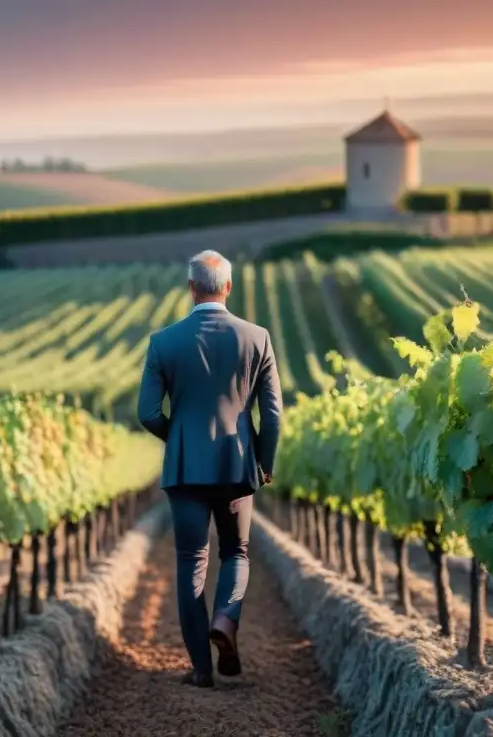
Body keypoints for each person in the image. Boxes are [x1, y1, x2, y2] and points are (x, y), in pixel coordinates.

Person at [137, 249, 283, 688]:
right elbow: (273, 414)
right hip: (238, 466)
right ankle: (226, 618)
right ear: (229, 287)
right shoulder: (256, 338)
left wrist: (180, 441)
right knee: (236, 553)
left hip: (186, 471)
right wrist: (264, 462)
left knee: (190, 563)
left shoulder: (163, 342)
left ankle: (201, 668)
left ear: (191, 289)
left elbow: (147, 412)